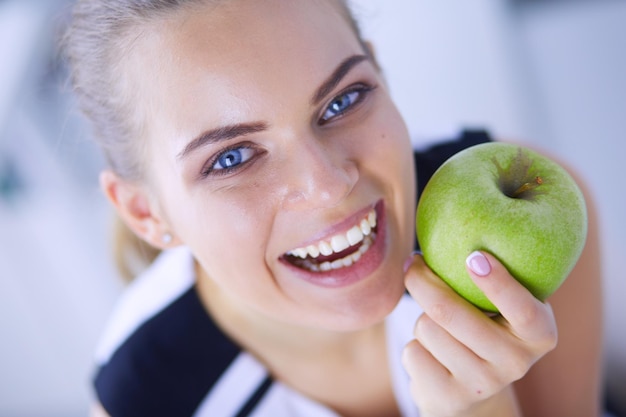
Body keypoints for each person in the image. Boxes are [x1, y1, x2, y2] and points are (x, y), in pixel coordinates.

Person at [61, 1, 604, 416]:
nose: (328, 186)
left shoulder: (526, 214)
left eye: (342, 100)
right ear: (144, 213)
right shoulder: (149, 398)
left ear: (381, 74)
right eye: (231, 158)